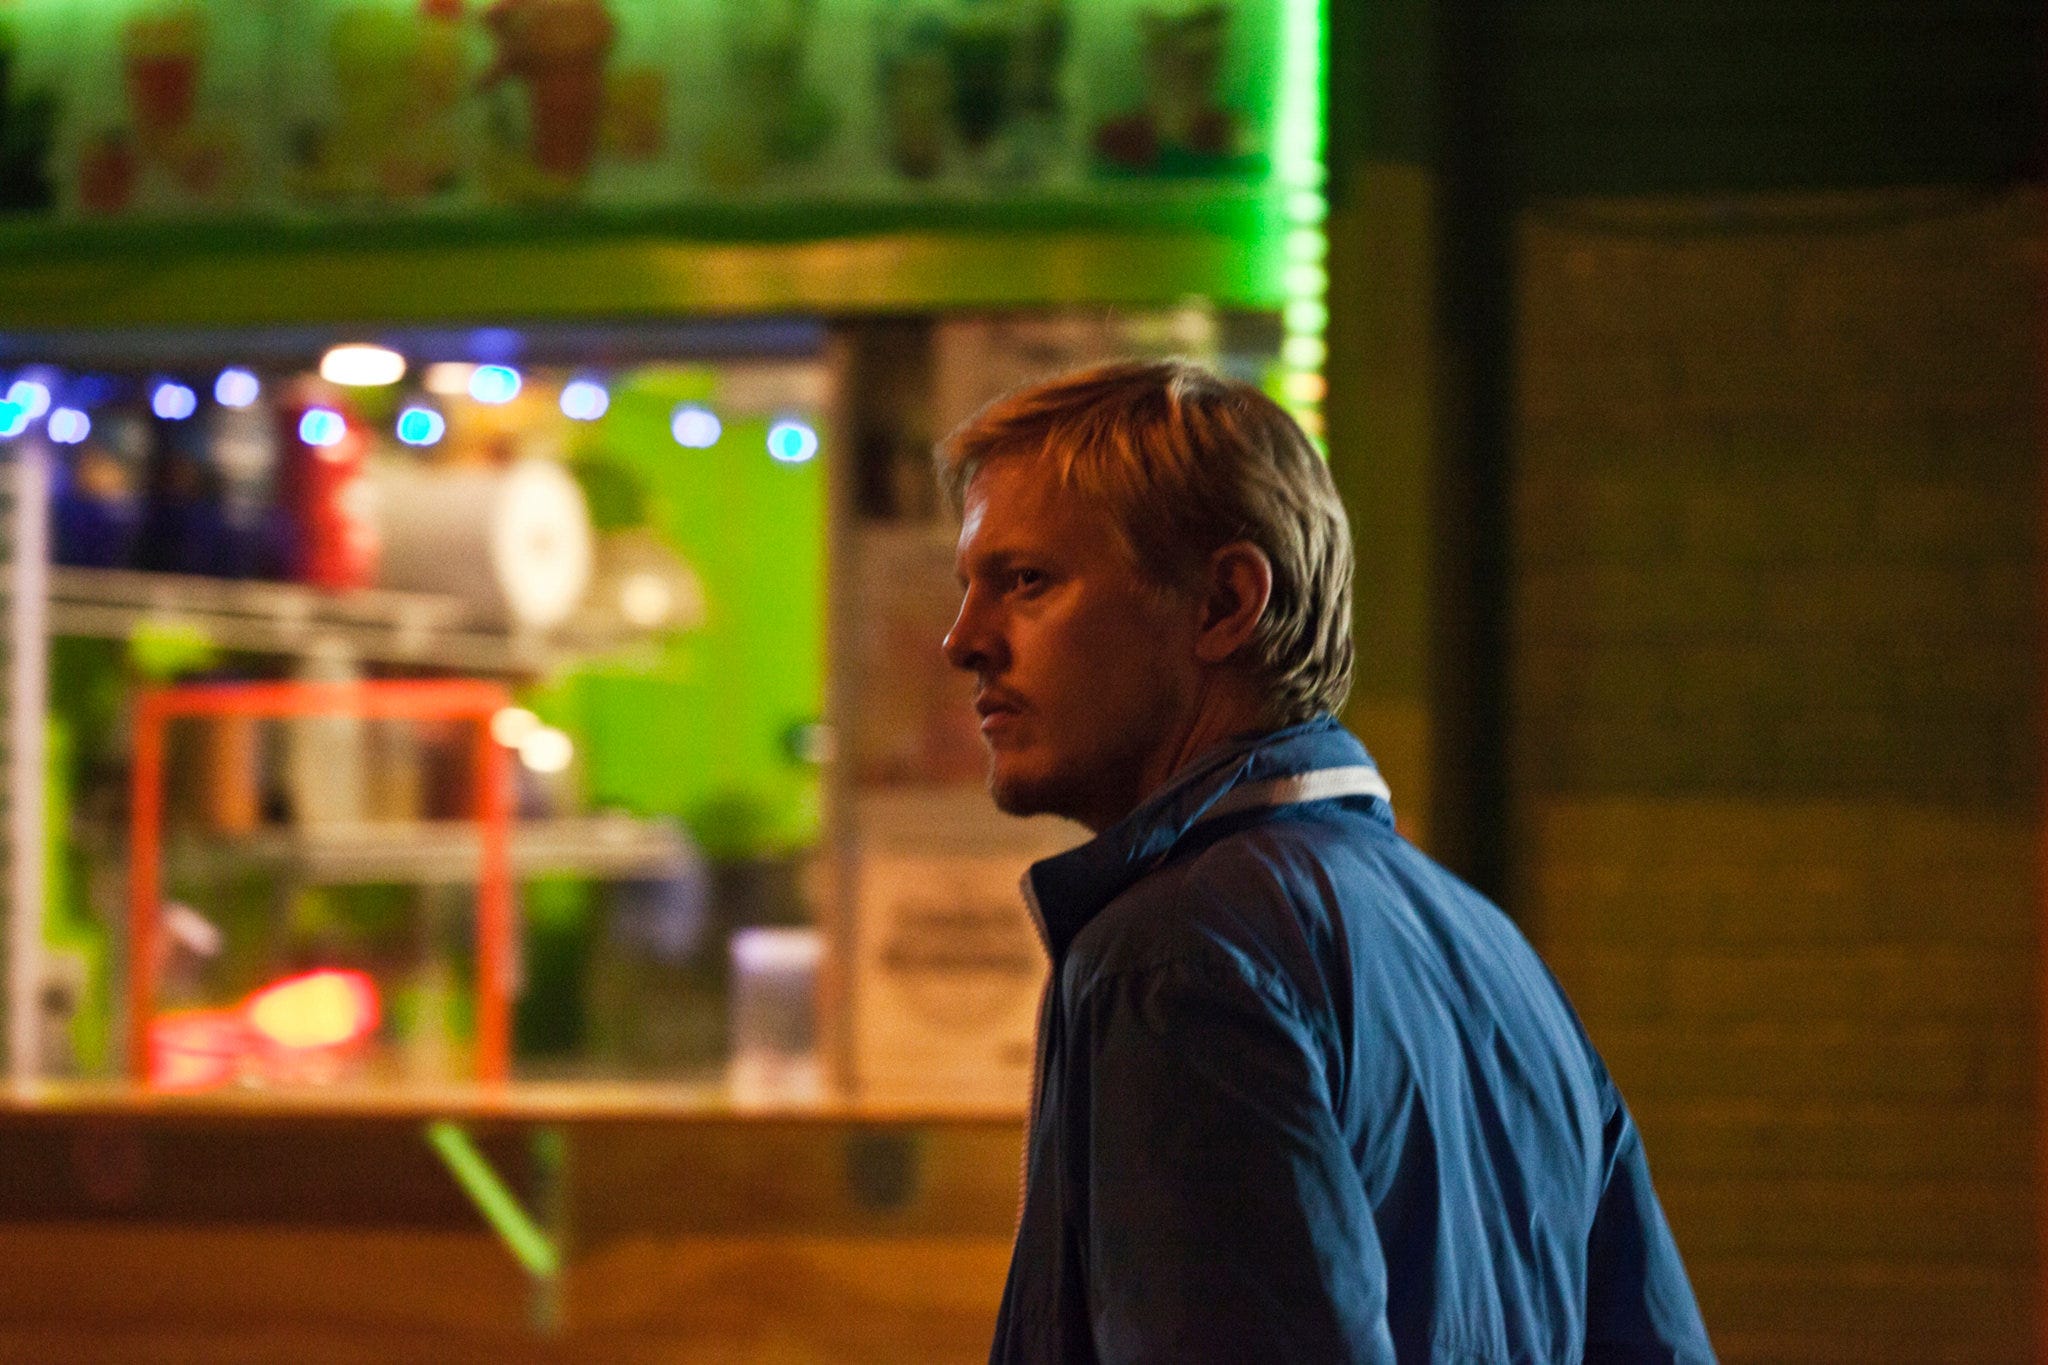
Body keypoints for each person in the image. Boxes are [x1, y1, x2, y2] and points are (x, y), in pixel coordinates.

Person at [938, 360, 1714, 1364]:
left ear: (1224, 603)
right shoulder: (1492, 953)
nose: (963, 640)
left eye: (1026, 582)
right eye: (967, 588)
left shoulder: (1174, 959)